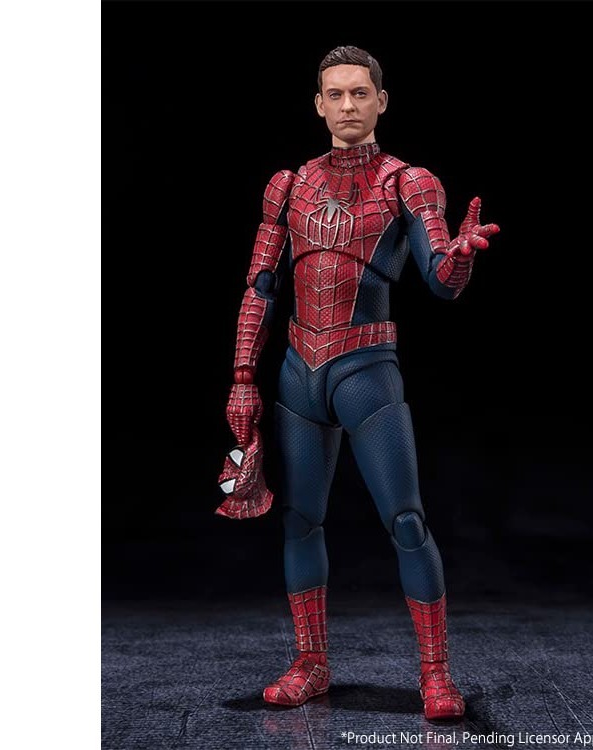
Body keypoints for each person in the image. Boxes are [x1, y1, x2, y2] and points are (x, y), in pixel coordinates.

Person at [216, 45, 499, 720]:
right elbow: (260, 287)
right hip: (298, 373)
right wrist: (242, 376)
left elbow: (440, 278)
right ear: (319, 104)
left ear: (381, 101)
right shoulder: (288, 185)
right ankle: (310, 662)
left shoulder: (409, 182)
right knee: (300, 520)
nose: (348, 105)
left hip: (366, 368)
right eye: (336, 94)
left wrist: (460, 259)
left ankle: (436, 674)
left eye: (360, 93)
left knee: (406, 520)